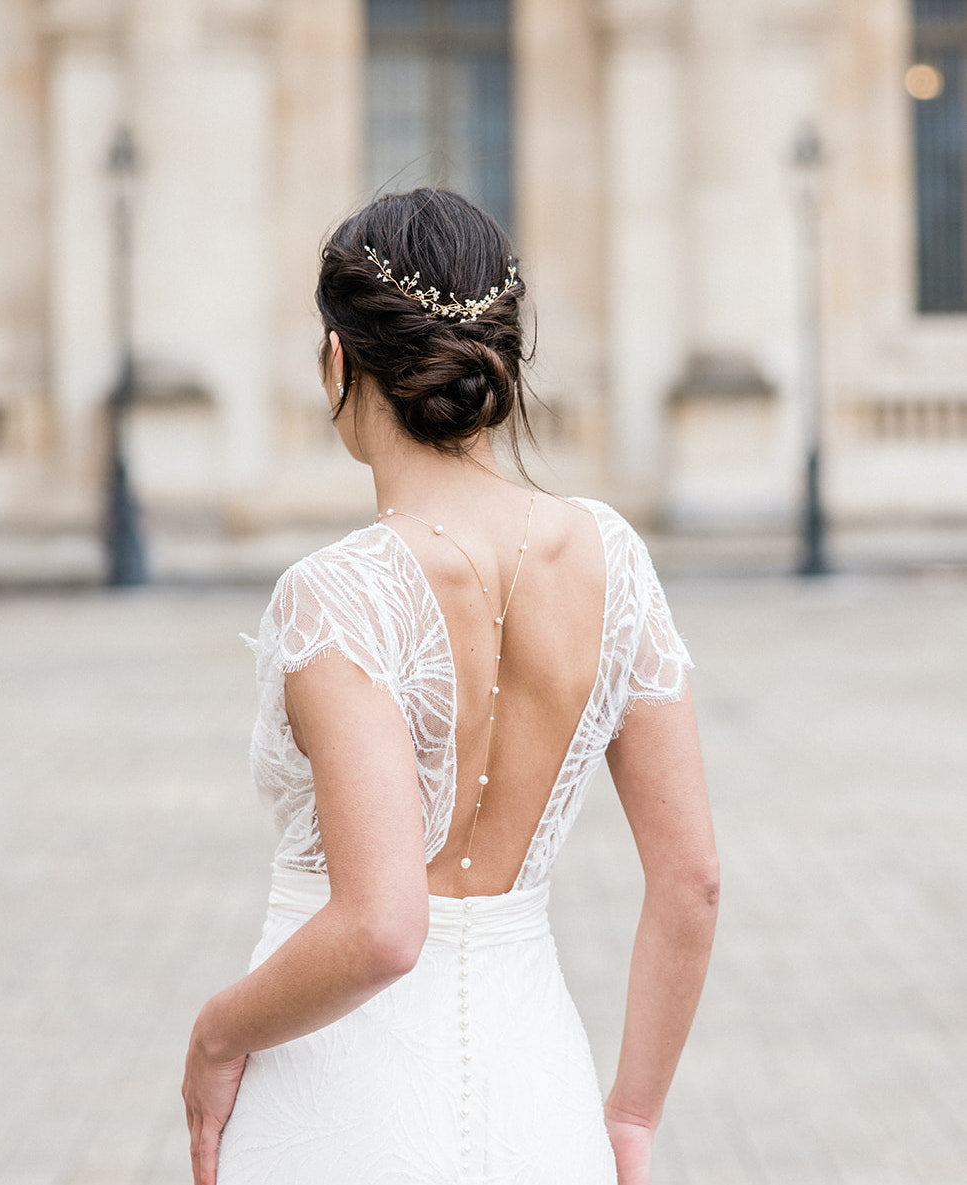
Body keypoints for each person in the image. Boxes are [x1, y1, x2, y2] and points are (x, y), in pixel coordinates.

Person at [183, 188, 718, 1185]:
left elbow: (384, 927)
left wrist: (217, 1034)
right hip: (538, 1096)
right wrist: (632, 1112)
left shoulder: (334, 594)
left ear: (338, 361)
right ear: (501, 362)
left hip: (335, 1103)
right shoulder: (611, 558)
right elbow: (690, 882)